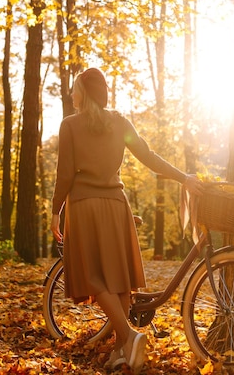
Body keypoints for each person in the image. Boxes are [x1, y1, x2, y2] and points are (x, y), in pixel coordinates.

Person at [50, 67, 203, 374]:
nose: (71, 94)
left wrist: (55, 210)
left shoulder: (70, 125)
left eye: (75, 89)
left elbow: (65, 174)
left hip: (83, 206)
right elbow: (148, 156)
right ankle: (123, 350)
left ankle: (131, 336)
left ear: (83, 93)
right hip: (116, 205)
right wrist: (182, 177)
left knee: (91, 275)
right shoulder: (120, 123)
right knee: (118, 278)